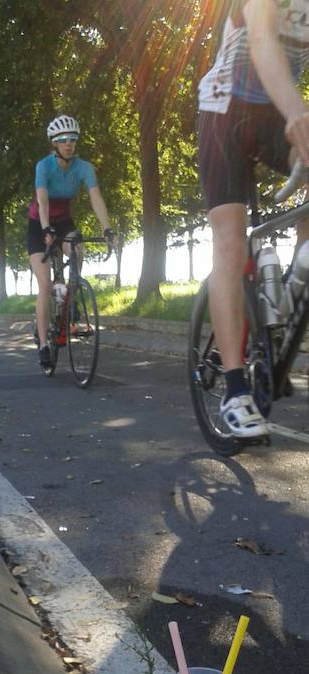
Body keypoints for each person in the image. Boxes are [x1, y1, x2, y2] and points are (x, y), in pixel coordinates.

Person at [198, 0, 309, 439]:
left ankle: (287, 300)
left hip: (274, 113)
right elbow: (261, 40)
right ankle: (235, 388)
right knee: (230, 243)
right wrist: (298, 112)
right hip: (224, 110)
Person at [27, 115, 114, 369]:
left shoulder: (84, 167)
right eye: (63, 140)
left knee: (78, 248)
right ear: (54, 143)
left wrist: (107, 228)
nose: (69, 144)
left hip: (64, 221)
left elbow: (96, 198)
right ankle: (43, 344)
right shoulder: (44, 166)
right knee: (44, 285)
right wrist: (45, 229)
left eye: (73, 139)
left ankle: (71, 294)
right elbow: (42, 201)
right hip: (38, 224)